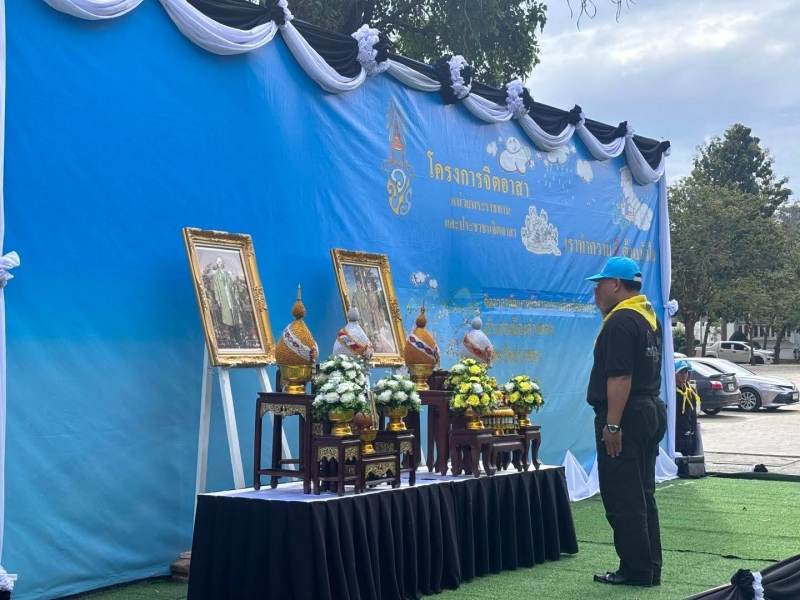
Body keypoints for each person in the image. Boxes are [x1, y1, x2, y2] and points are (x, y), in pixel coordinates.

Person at [586, 256, 668, 588]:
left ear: (616, 284)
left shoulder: (620, 322)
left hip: (627, 416)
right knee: (643, 494)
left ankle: (635, 570)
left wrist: (613, 425)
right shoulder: (648, 317)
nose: (596, 290)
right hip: (649, 410)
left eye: (600, 284)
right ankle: (648, 567)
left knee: (624, 497)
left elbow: (620, 377)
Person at [675, 359, 700, 456]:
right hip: (677, 435)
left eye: (686, 372)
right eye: (681, 372)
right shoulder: (672, 392)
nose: (685, 375)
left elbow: (692, 413)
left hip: (688, 434)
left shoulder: (689, 390)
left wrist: (692, 431)